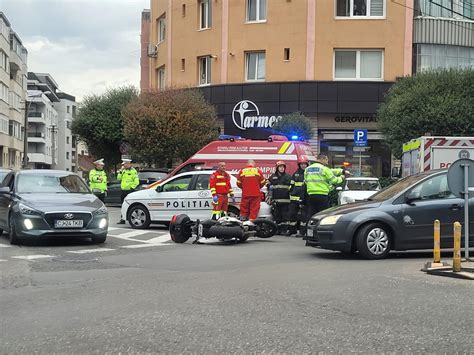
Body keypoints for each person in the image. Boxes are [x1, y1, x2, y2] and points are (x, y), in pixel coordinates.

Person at [304, 154, 345, 221]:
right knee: (323, 215)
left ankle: (310, 229)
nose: (327, 161)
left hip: (311, 196)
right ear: (322, 159)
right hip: (322, 195)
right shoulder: (324, 169)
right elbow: (334, 180)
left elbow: (306, 181)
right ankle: (320, 230)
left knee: (311, 215)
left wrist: (341, 171)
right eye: (326, 160)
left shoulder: (307, 169)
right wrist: (341, 178)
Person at [267, 160, 292, 235]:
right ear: (277, 168)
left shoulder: (288, 177)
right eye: (280, 167)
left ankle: (284, 230)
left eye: (283, 167)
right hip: (276, 201)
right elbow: (267, 184)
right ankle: (278, 230)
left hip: (285, 201)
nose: (282, 168)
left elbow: (291, 187)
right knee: (277, 216)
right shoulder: (273, 176)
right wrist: (269, 186)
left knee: (285, 216)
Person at [288, 157, 309, 237]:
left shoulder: (308, 174)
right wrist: (291, 193)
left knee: (303, 216)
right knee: (292, 214)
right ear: (299, 165)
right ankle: (292, 230)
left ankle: (302, 232)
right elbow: (292, 185)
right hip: (294, 198)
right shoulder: (295, 173)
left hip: (304, 198)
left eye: (304, 164)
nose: (303, 166)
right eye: (302, 164)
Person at [117, 158, 139, 224]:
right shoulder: (123, 171)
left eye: (125, 164)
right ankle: (122, 218)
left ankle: (131, 218)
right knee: (123, 205)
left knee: (130, 205)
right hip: (123, 190)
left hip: (129, 190)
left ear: (129, 164)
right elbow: (118, 178)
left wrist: (131, 188)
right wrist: (120, 171)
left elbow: (136, 181)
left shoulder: (133, 171)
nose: (124, 165)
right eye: (123, 164)